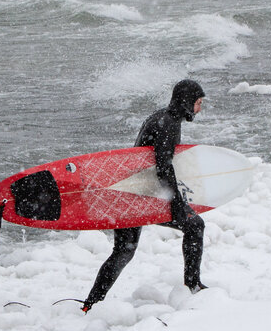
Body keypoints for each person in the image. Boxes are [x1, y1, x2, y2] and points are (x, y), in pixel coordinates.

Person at [81, 79, 208, 312]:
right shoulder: (168, 123)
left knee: (124, 251)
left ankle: (91, 304)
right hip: (140, 195)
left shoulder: (162, 117)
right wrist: (177, 202)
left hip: (131, 192)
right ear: (187, 102)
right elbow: (163, 168)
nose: (199, 108)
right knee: (195, 226)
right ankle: (193, 286)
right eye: (198, 103)